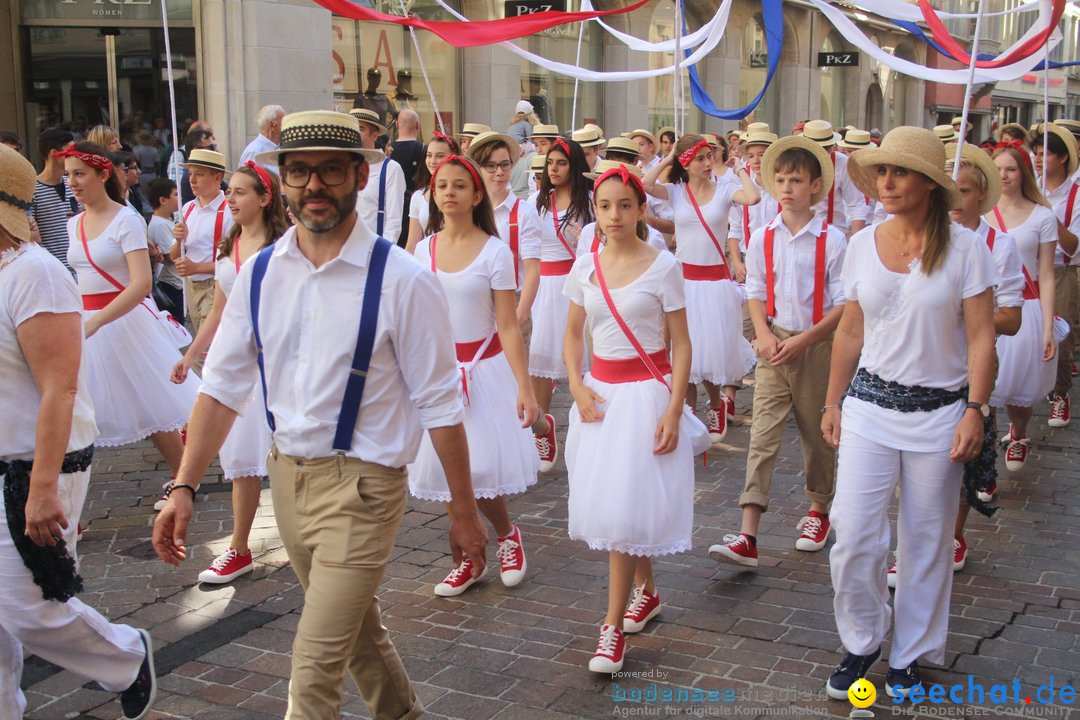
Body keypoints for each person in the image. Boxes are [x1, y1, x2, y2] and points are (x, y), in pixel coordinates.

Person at [152, 110, 487, 719]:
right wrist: (184, 486)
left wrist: (464, 511)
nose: (314, 187)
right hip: (287, 481)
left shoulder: (404, 280)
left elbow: (441, 405)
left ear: (359, 176)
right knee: (358, 637)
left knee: (312, 671)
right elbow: (223, 388)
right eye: (299, 172)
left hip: (365, 489)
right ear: (282, 180)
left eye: (330, 171)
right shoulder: (258, 274)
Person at [820, 127, 996, 700]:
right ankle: (863, 639)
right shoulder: (863, 242)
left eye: (899, 172)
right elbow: (850, 328)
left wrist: (975, 409)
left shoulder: (967, 248)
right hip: (870, 404)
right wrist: (832, 400)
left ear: (929, 183)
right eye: (882, 173)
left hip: (940, 411)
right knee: (851, 533)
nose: (887, 183)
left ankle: (911, 653)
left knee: (925, 541)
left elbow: (980, 341)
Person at [0, 143, 158, 720]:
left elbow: (59, 389)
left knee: (28, 607)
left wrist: (42, 486)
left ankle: (124, 655)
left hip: (32, 466)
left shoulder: (35, 274)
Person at [562, 164, 704, 674]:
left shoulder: (663, 266)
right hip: (600, 400)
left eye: (625, 205)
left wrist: (673, 406)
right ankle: (648, 590)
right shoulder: (586, 267)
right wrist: (577, 386)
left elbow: (682, 343)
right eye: (604, 206)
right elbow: (574, 335)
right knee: (623, 505)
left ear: (642, 209)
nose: (614, 215)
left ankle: (611, 627)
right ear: (594, 212)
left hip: (646, 396)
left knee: (624, 511)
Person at [709, 134, 845, 569]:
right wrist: (764, 335)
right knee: (762, 434)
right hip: (774, 343)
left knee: (816, 436)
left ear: (816, 187)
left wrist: (804, 340)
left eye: (796, 180)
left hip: (816, 344)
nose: (787, 188)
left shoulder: (833, 240)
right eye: (781, 179)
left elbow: (844, 305)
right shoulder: (765, 236)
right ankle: (748, 533)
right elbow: (755, 289)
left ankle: (819, 509)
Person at [411, 154, 540, 596]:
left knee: (478, 469)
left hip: (483, 373)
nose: (449, 192)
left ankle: (506, 534)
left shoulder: (495, 252)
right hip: (437, 373)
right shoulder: (422, 249)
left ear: (476, 194)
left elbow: (507, 325)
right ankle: (469, 557)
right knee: (447, 471)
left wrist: (525, 386)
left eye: (459, 186)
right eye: (442, 185)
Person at [57, 141, 199, 505]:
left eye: (79, 174)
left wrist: (97, 322)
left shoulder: (127, 219)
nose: (71, 181)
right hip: (84, 321)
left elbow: (141, 284)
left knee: (152, 405)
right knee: (72, 412)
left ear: (102, 175)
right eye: (68, 174)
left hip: (123, 321)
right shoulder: (73, 223)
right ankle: (63, 499)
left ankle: (184, 478)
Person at [170, 163, 286, 585]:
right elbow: (218, 311)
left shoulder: (284, 245)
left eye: (239, 192)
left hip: (274, 359)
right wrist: (190, 355)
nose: (231, 199)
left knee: (292, 453)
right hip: (232, 355)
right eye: (230, 192)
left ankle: (308, 535)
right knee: (241, 459)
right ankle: (238, 548)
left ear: (265, 197)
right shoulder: (231, 241)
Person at [920, 143, 1024, 581]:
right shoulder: (927, 236)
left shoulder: (1000, 245)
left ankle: (954, 532)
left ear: (982, 196)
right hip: (927, 354)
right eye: (950, 191)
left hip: (972, 357)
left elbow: (1012, 318)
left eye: (965, 191)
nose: (956, 202)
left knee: (960, 445)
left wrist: (967, 313)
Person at [643, 134, 759, 443]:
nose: (708, 163)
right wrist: (667, 158)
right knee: (686, 352)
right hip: (684, 280)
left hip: (715, 282)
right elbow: (643, 183)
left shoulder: (724, 190)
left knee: (711, 350)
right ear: (686, 163)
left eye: (710, 157)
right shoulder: (677, 192)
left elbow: (753, 198)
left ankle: (717, 403)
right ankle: (689, 415)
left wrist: (741, 170)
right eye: (700, 158)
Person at [987, 144, 1059, 473]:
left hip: (1025, 308)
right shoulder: (978, 215)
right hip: (985, 307)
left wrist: (1047, 327)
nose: (1004, 175)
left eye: (1011, 169)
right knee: (984, 389)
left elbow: (1045, 273)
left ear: (1023, 174)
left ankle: (1018, 432)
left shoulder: (1042, 216)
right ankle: (983, 461)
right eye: (998, 169)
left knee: (1019, 390)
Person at [530, 138, 594, 472]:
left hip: (578, 287)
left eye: (561, 163)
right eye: (550, 163)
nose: (554, 169)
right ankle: (541, 429)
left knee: (585, 364)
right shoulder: (537, 203)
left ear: (575, 166)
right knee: (539, 363)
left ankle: (591, 433)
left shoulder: (590, 204)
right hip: (543, 287)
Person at [1031, 123, 1079, 428]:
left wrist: (1049, 215)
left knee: (1060, 335)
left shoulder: (1076, 193)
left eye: (1045, 154)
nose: (1037, 159)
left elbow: (1073, 246)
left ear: (1062, 158)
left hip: (1061, 271)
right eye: (1035, 153)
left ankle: (1060, 393)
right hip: (1027, 270)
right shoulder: (1029, 185)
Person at [171, 148, 234, 344]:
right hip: (191, 287)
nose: (192, 180)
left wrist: (196, 267)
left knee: (207, 347)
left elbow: (235, 262)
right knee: (198, 343)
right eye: (190, 174)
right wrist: (179, 240)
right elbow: (174, 256)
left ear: (217, 177)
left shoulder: (229, 212)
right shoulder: (188, 208)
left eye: (199, 174)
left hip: (215, 287)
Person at [799, 120, 869, 238]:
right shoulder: (795, 162)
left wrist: (855, 242)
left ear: (831, 148)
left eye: (823, 150)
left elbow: (856, 204)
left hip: (833, 233)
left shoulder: (842, 164)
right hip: (800, 230)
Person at [351, 108, 406, 242]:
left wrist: (382, 255)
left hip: (373, 251)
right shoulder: (345, 166)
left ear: (374, 135)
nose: (355, 133)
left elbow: (394, 221)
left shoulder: (391, 169)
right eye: (352, 128)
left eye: (361, 128)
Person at [30, 127, 80, 274]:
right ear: (54, 153)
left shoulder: (75, 184)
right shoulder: (33, 190)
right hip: (54, 271)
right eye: (70, 152)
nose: (75, 157)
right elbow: (33, 238)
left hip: (82, 270)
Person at [405, 131, 459, 252]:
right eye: (429, 155)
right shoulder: (418, 197)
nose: (433, 161)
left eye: (440, 156)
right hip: (427, 263)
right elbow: (411, 245)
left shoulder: (463, 194)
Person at [146, 178, 185, 323]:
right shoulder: (159, 225)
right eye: (175, 194)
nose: (179, 198)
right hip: (170, 284)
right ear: (163, 200)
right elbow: (171, 256)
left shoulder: (167, 222)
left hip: (176, 283)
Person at [390, 109, 425, 246]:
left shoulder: (386, 152)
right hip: (417, 211)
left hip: (392, 211)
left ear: (397, 125)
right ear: (418, 126)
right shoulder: (424, 151)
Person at [238, 104, 285, 174]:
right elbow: (246, 182)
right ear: (272, 125)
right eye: (284, 123)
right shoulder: (254, 152)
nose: (287, 127)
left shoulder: (280, 147)